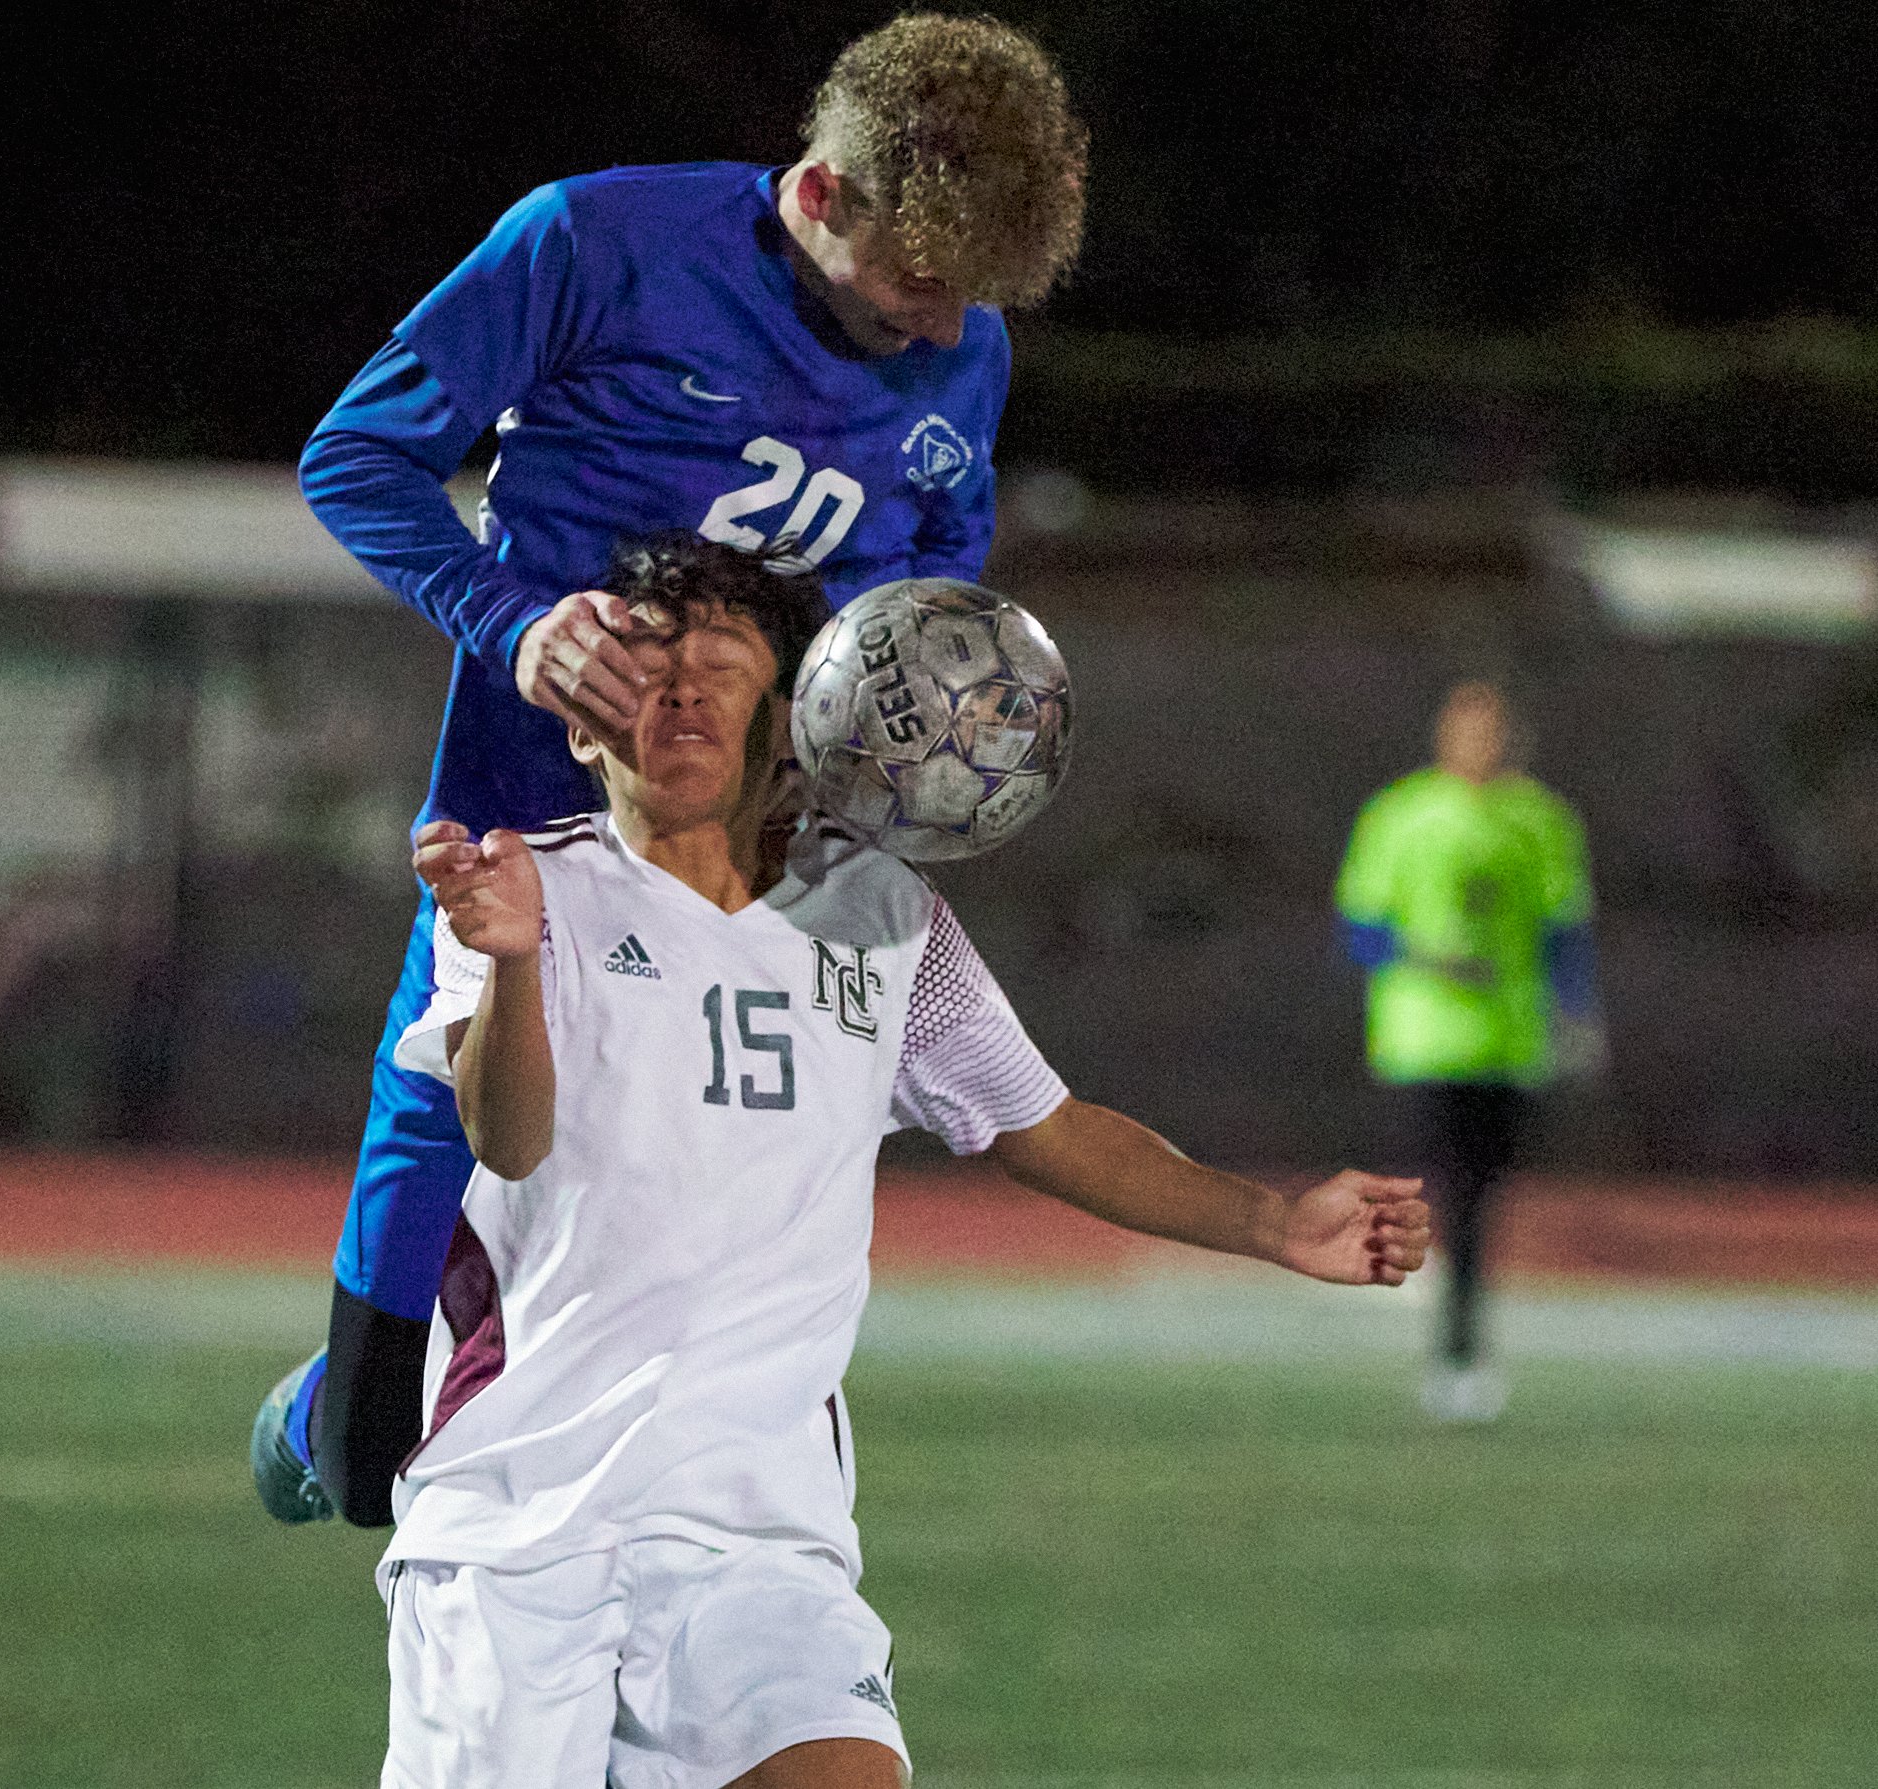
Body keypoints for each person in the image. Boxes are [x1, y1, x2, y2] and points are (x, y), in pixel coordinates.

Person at [386, 530, 1429, 1788]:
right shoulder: (521, 890)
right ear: (578, 725)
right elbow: (508, 1135)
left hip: (756, 1539)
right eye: (645, 665)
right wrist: (505, 957)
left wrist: (1268, 1223)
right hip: (518, 1522)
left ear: (794, 724)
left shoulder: (881, 919)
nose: (680, 689)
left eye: (722, 664)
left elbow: (1040, 1123)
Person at [254, 13, 1093, 1526]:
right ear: (822, 197)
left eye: (972, 296)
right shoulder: (594, 240)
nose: (940, 326)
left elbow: (918, 589)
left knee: (676, 1225)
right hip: (535, 801)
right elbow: (355, 459)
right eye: (919, 283)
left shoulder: (963, 345)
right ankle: (336, 1405)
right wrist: (513, 626)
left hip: (756, 844)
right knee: (379, 1423)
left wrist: (932, 730)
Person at [1335, 679, 1599, 1422]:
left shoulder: (1541, 821)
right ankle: (1451, 1339)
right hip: (1424, 1041)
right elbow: (1360, 929)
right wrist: (1429, 960)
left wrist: (1577, 1016)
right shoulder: (1402, 814)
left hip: (1509, 1042)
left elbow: (1563, 930)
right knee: (1438, 1190)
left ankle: (1459, 1340)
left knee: (1480, 1197)